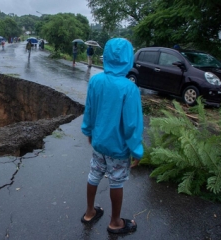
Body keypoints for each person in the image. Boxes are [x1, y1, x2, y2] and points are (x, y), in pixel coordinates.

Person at [80, 38, 143, 234]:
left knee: (94, 175)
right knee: (116, 181)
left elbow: (90, 110)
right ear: (128, 58)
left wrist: (89, 132)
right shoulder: (129, 88)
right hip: (119, 148)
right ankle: (115, 222)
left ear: (105, 55)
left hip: (99, 143)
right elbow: (132, 124)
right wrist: (136, 150)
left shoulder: (96, 81)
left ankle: (90, 212)